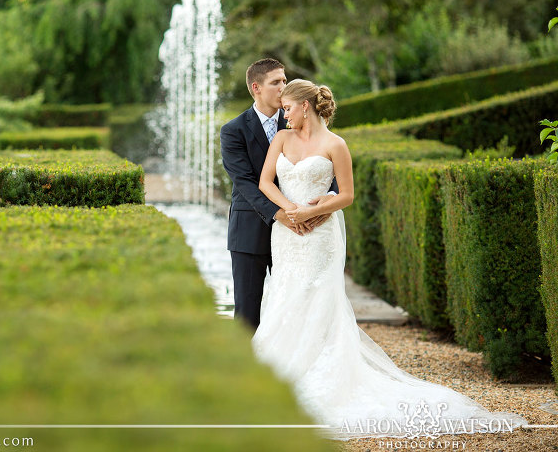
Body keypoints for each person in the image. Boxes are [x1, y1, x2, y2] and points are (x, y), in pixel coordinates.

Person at [253, 78, 526, 439]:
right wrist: (292, 212)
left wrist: (316, 210)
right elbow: (265, 183)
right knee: (286, 295)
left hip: (320, 236)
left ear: (306, 106)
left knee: (318, 298)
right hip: (288, 233)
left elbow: (347, 195)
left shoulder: (336, 145)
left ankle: (318, 373)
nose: (283, 113)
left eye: (287, 107)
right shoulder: (282, 139)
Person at [220, 59, 337, 331]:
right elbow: (246, 183)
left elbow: (328, 167)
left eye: (285, 80)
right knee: (248, 315)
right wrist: (281, 215)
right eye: (276, 82)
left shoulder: (301, 121)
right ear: (256, 88)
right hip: (251, 232)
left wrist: (329, 199)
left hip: (300, 236)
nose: (283, 87)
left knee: (298, 309)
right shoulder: (233, 131)